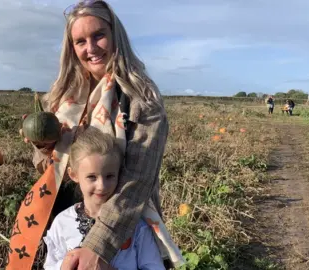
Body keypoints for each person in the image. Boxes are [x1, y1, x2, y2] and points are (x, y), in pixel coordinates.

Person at [10, 1, 184, 269]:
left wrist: (97, 246)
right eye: (80, 41)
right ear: (71, 48)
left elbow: (138, 181)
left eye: (98, 35)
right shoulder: (61, 97)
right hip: (66, 218)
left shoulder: (142, 98)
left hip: (123, 227)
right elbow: (50, 171)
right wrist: (45, 148)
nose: (90, 48)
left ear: (116, 36)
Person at [43, 128, 165, 270]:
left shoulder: (136, 226)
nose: (101, 186)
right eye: (92, 177)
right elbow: (51, 265)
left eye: (109, 176)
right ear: (74, 175)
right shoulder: (62, 222)